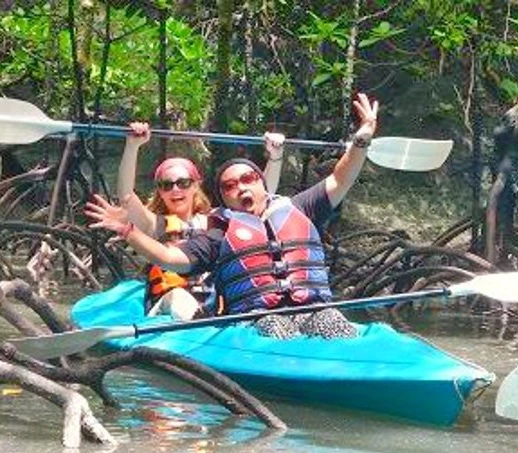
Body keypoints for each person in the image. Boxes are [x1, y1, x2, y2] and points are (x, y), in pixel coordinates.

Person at [85, 92, 378, 339]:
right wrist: (128, 231)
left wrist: (361, 139)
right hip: (259, 318)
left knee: (331, 321)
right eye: (229, 185)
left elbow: (340, 179)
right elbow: (169, 258)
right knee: (275, 327)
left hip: (312, 308)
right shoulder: (218, 233)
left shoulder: (296, 208)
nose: (241, 187)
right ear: (223, 198)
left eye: (249, 178)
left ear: (262, 183)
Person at [85, 123, 285, 321]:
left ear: (195, 185)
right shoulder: (154, 225)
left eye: (183, 183)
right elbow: (126, 196)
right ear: (160, 192)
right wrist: (132, 146)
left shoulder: (217, 222)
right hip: (168, 306)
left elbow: (262, 196)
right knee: (178, 297)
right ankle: (200, 322)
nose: (175, 190)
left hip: (212, 305)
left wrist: (275, 157)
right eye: (167, 185)